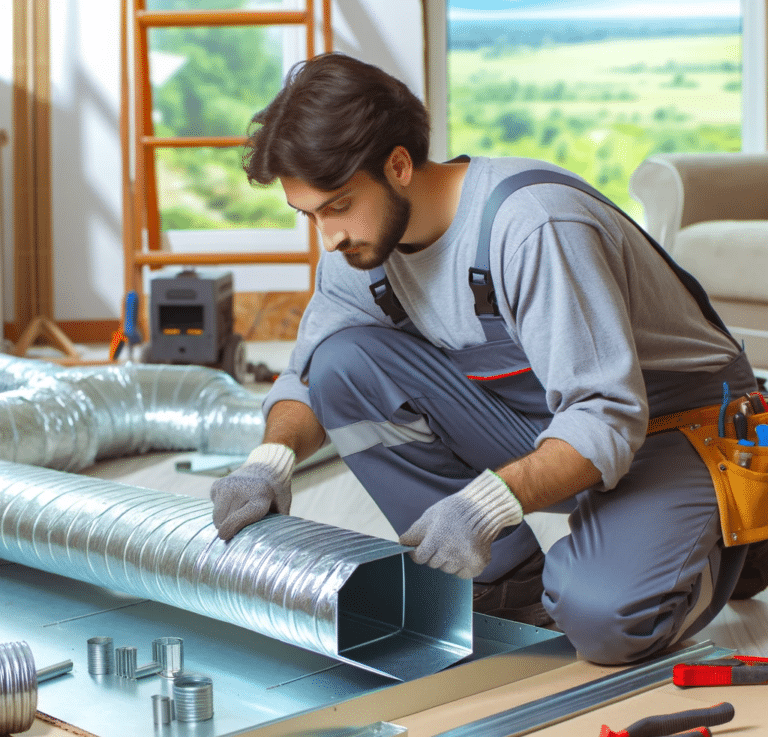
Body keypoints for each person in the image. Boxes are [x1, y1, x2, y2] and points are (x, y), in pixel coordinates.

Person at [210, 52, 766, 665]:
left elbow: (606, 416)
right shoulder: (361, 251)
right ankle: (508, 580)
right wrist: (271, 460)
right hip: (553, 427)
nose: (329, 236)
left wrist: (484, 506)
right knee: (343, 365)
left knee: (604, 621)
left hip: (678, 428)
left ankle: (741, 535)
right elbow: (309, 377)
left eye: (338, 206)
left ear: (398, 165)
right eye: (309, 214)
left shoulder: (531, 225)